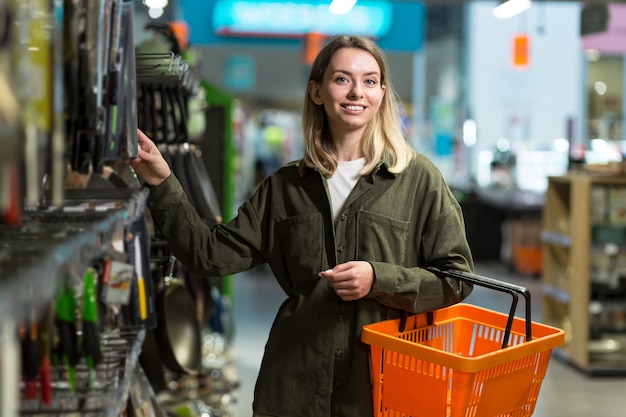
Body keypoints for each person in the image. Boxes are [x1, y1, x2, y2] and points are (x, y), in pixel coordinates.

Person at [128, 35, 474, 417]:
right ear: (317, 91)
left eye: (370, 81)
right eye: (342, 79)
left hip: (382, 390)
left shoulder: (417, 179)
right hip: (295, 387)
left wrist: (380, 279)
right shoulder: (286, 186)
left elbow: (456, 278)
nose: (357, 92)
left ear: (382, 94)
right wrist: (162, 182)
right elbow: (208, 255)